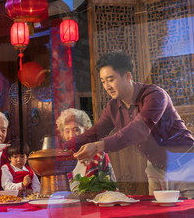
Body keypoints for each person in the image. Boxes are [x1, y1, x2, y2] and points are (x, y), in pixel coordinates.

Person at [66, 51, 194, 197]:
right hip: (156, 170)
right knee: (158, 217)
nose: (106, 86)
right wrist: (62, 147)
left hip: (186, 166)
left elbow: (138, 130)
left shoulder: (155, 96)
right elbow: (95, 133)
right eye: (103, 81)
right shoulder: (113, 107)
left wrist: (97, 146)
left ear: (127, 76)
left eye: (110, 79)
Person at [56, 108, 116, 182]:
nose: (71, 135)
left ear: (86, 130)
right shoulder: (62, 158)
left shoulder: (99, 156)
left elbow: (111, 187)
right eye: (67, 131)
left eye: (76, 130)